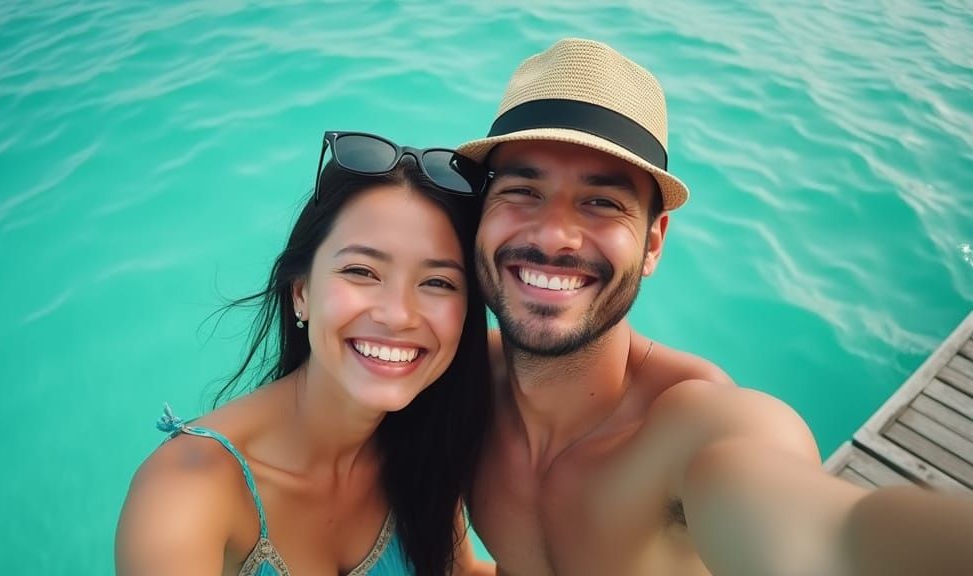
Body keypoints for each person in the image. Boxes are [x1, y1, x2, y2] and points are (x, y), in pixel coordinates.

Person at [456, 37, 973, 576]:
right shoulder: (454, 382)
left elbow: (836, 537)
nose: (554, 234)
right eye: (522, 191)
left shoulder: (692, 430)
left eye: (602, 202)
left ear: (653, 243)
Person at [116, 132, 496, 576]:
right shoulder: (186, 497)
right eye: (362, 271)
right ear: (301, 293)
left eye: (437, 282)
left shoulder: (420, 446)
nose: (398, 315)